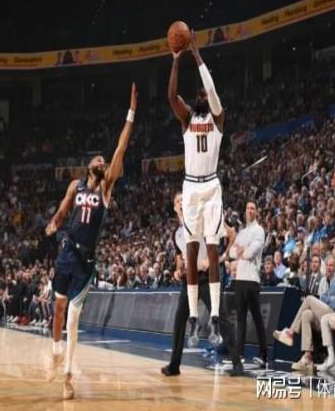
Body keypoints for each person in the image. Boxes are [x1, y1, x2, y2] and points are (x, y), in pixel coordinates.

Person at [45, 83, 138, 400]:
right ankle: (55, 352)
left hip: (86, 260)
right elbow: (62, 211)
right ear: (89, 166)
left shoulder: (105, 188)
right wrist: (54, 223)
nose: (103, 160)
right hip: (68, 250)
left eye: (104, 160)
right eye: (99, 159)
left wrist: (131, 112)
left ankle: (68, 377)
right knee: (58, 308)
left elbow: (121, 149)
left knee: (73, 316)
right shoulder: (76, 186)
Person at [168, 31, 225, 347]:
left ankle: (214, 316)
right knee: (191, 252)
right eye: (200, 93)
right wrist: (177, 60)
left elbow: (212, 89)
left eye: (206, 92)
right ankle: (193, 317)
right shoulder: (188, 118)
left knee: (212, 249)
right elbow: (171, 96)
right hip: (191, 185)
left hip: (211, 186)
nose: (203, 94)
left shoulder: (218, 117)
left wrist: (197, 54)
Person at [273, 251, 335, 372]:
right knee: (307, 314)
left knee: (309, 299)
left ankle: (290, 332)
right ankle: (308, 356)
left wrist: (330, 297)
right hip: (327, 314)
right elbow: (324, 297)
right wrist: (331, 297)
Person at [161, 192, 211, 376]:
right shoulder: (177, 234)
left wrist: (208, 259)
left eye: (183, 200)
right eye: (178, 201)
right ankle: (174, 366)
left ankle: (236, 361)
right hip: (187, 281)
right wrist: (177, 270)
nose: (181, 203)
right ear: (175, 208)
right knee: (179, 322)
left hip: (204, 279)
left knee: (220, 315)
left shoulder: (198, 222)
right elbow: (179, 261)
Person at [228, 201, 267, 375]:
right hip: (240, 279)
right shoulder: (243, 232)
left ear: (256, 212)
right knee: (241, 319)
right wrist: (242, 250)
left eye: (253, 208)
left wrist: (242, 250)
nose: (250, 210)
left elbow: (250, 253)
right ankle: (239, 354)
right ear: (245, 211)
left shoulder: (259, 230)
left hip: (252, 279)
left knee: (257, 318)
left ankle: (263, 354)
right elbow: (231, 253)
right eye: (248, 208)